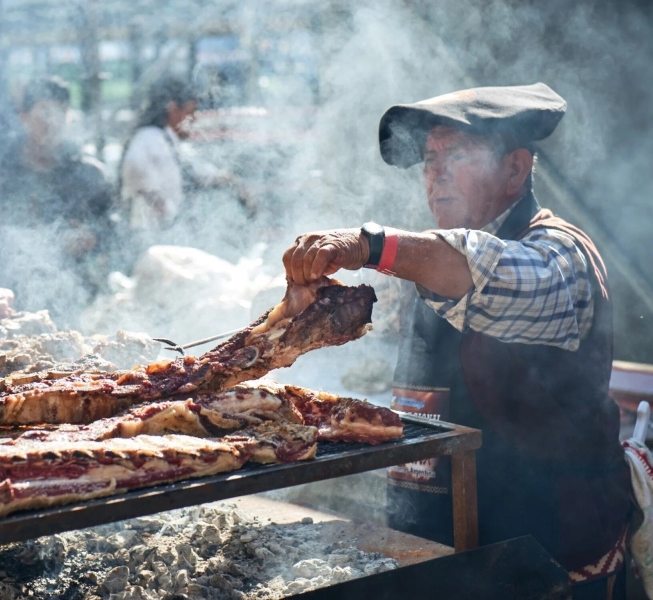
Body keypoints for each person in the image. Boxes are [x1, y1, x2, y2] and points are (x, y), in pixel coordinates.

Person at [282, 83, 630, 599]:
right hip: (440, 550)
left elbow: (483, 269)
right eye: (428, 158)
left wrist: (368, 245)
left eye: (456, 154)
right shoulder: (431, 263)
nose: (435, 173)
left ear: (515, 169)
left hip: (543, 561)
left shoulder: (560, 255)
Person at [0, 76, 114, 328]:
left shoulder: (89, 174)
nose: (52, 120)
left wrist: (92, 235)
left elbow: (113, 227)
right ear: (23, 115)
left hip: (75, 301)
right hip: (3, 303)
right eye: (44, 111)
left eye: (61, 111)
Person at [118, 75, 255, 267]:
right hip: (148, 237)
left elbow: (195, 169)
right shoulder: (148, 138)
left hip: (166, 234)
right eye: (190, 113)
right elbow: (135, 166)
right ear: (173, 109)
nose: (193, 119)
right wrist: (157, 201)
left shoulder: (168, 141)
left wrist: (231, 181)